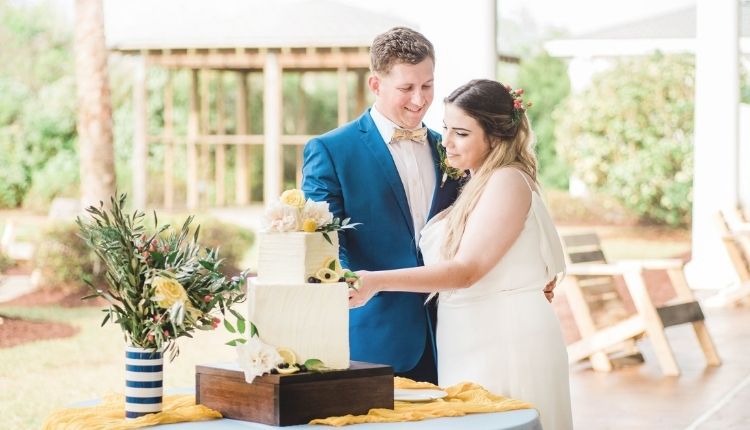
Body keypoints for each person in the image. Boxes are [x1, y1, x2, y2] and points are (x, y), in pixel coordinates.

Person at [349, 79, 574, 430]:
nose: (447, 142)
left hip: (504, 340)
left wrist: (375, 282)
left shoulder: (506, 181)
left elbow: (467, 270)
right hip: (470, 338)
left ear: (495, 136)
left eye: (462, 133)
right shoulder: (476, 182)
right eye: (446, 129)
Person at [302, 27, 461, 384]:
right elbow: (321, 241)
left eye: (428, 85)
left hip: (452, 337)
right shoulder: (331, 150)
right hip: (373, 339)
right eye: (406, 88)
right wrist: (345, 281)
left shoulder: (449, 149)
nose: (420, 100)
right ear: (375, 85)